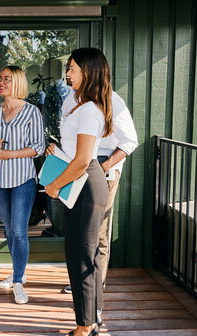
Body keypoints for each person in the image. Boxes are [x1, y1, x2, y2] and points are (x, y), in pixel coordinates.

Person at [45, 48, 113, 336]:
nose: (67, 73)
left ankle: (84, 326)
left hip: (85, 185)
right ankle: (92, 318)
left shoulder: (89, 110)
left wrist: (56, 184)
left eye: (72, 68)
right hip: (80, 183)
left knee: (82, 256)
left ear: (89, 72)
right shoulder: (78, 103)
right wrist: (57, 150)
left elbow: (84, 160)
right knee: (83, 254)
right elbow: (76, 151)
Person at [60, 73, 138, 294]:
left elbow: (130, 140)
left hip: (102, 169)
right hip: (74, 167)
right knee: (77, 230)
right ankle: (79, 281)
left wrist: (104, 167)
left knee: (98, 232)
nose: (67, 73)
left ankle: (95, 288)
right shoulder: (70, 100)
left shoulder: (113, 101)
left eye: (72, 68)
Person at [0, 66, 45, 304]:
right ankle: (18, 272)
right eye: (0, 79)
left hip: (22, 180)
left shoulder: (31, 112)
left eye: (6, 79)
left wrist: (11, 153)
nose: (1, 82)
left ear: (17, 82)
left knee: (19, 231)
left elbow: (38, 146)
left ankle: (18, 281)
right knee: (8, 231)